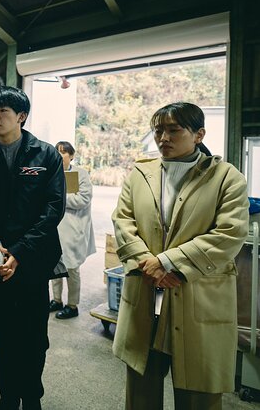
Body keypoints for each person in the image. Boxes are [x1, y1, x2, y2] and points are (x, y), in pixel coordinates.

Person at [112, 102, 249, 410]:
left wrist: (167, 262)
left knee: (199, 395)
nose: (164, 138)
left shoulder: (226, 178)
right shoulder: (139, 174)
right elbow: (123, 221)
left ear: (198, 134)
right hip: (146, 296)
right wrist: (149, 263)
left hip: (197, 299)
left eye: (174, 130)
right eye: (158, 130)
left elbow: (229, 234)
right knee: (141, 393)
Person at [0, 86, 66, 410]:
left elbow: (53, 208)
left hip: (32, 263)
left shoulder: (45, 155)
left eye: (3, 111)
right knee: (3, 335)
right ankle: (8, 396)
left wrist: (19, 252)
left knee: (35, 336)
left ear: (21, 116)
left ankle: (31, 397)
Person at [49, 141, 96, 319]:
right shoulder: (52, 173)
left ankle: (72, 305)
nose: (59, 156)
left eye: (63, 152)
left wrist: (59, 198)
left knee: (72, 268)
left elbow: (83, 199)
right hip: (55, 228)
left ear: (72, 156)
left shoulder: (81, 174)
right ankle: (56, 300)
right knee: (55, 265)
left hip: (73, 228)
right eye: (57, 152)